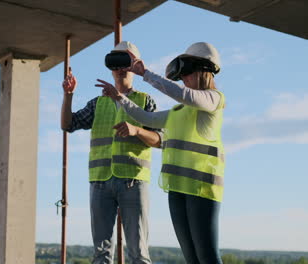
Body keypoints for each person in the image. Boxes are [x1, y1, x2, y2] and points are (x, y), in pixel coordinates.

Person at [96, 42, 225, 264]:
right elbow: (147, 119)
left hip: (201, 189)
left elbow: (185, 95)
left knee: (207, 257)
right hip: (177, 189)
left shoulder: (214, 99)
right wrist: (119, 97)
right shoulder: (180, 110)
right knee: (192, 258)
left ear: (204, 70)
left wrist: (145, 74)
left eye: (187, 73)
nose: (183, 79)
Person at [61, 41, 162, 264]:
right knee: (101, 255)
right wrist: (69, 95)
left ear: (134, 65)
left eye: (124, 61)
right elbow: (68, 124)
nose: (118, 68)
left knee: (138, 253)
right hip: (100, 183)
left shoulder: (145, 101)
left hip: (133, 182)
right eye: (114, 62)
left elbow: (159, 140)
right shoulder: (98, 103)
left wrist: (137, 130)